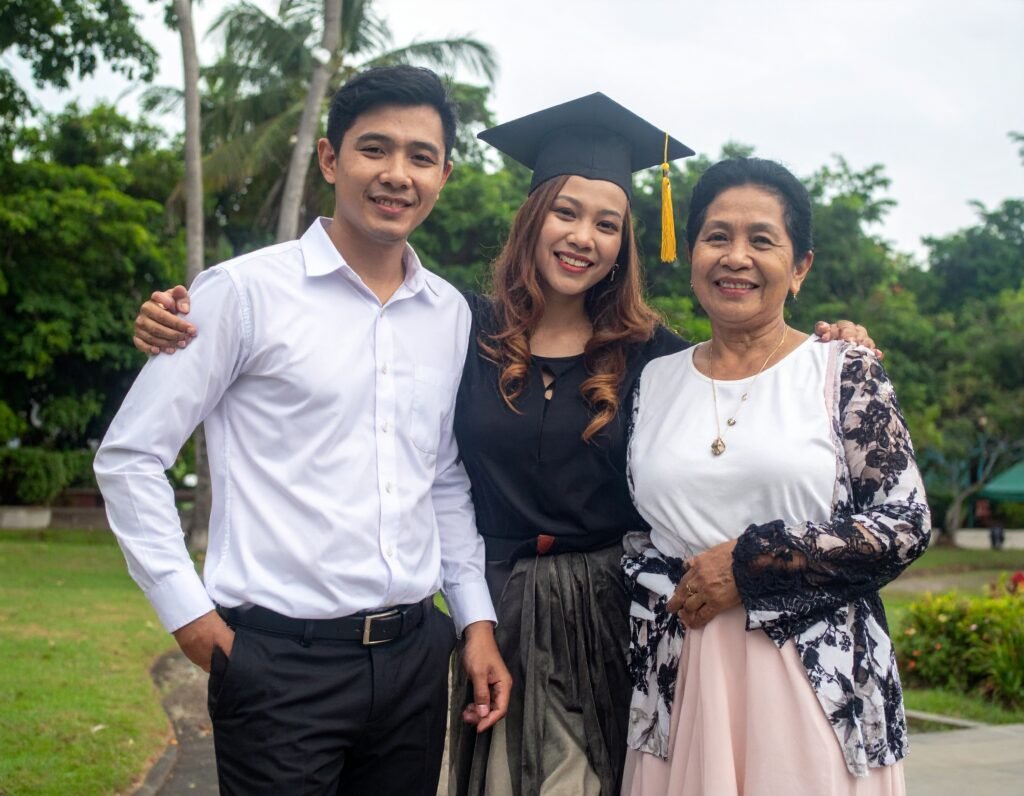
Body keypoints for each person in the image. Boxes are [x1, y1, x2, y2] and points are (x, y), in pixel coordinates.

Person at [132, 97, 877, 794]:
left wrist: (826, 347)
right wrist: (175, 317)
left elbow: (747, 383)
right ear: (532, 218)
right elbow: (426, 452)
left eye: (608, 224)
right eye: (565, 212)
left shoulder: (660, 358)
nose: (583, 238)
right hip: (500, 611)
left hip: (615, 614)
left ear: (626, 245)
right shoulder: (462, 326)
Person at [94, 65, 511, 796]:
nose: (396, 175)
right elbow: (131, 457)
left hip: (415, 659)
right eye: (373, 149)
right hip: (278, 665)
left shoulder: (448, 314)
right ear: (330, 159)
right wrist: (192, 620)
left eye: (420, 157)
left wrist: (473, 619)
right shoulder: (243, 293)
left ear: (444, 173)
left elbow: (440, 477)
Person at [623, 158, 930, 795]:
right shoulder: (653, 380)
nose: (736, 257)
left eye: (762, 240)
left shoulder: (843, 369)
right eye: (716, 237)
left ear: (799, 269)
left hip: (810, 675)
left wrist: (748, 564)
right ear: (691, 255)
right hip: (680, 676)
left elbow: (906, 522)